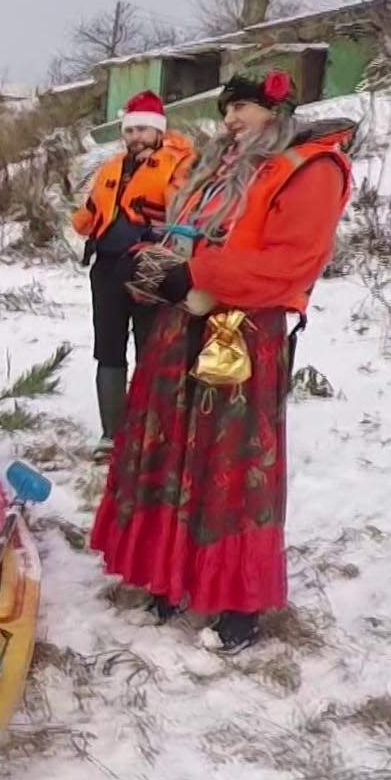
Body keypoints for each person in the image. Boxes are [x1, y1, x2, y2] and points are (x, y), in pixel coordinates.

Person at [91, 70, 355, 654]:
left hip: (239, 333)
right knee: (168, 449)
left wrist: (199, 275)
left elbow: (292, 263)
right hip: (177, 325)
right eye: (228, 109)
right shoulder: (217, 168)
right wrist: (150, 266)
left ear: (276, 111)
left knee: (230, 466)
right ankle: (168, 577)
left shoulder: (311, 169)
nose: (231, 119)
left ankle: (239, 602)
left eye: (244, 109)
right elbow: (184, 234)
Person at [73, 92, 195, 460]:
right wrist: (77, 224)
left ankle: (153, 434)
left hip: (152, 266)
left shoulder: (181, 162)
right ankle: (112, 435)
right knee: (108, 349)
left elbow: (185, 210)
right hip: (108, 267)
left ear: (159, 130)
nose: (136, 136)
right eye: (130, 130)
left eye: (143, 129)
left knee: (152, 350)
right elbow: (91, 211)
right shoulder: (111, 166)